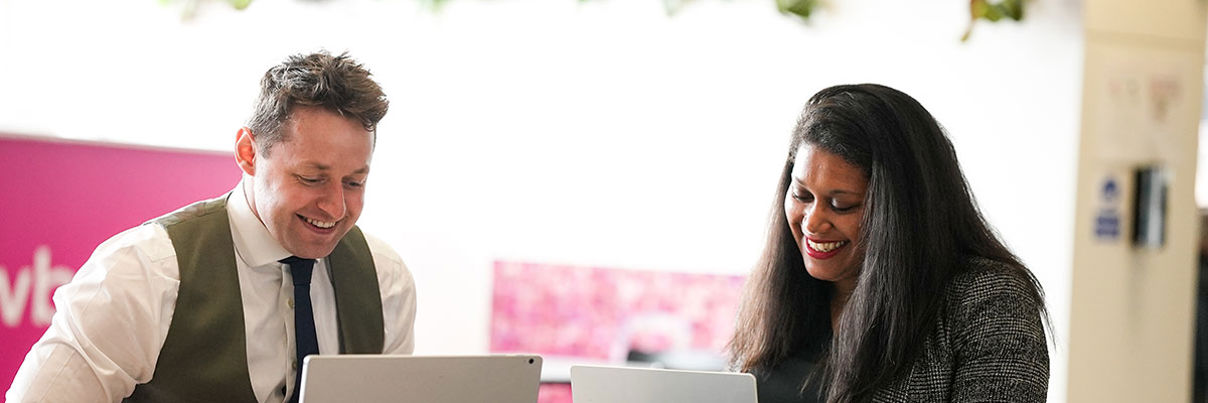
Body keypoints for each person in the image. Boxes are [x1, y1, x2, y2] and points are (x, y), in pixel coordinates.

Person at [6, 51, 416, 403]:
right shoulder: (142, 273)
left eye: (354, 182)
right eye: (311, 178)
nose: (335, 206)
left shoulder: (385, 279)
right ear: (247, 153)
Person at [729, 84, 1049, 403]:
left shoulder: (989, 301)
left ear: (903, 210)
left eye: (842, 204)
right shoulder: (779, 298)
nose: (812, 222)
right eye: (802, 195)